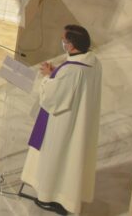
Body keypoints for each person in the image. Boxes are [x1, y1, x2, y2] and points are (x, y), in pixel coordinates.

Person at [22, 25, 103, 215]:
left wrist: (48, 78)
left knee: (56, 158)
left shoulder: (72, 70)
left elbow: (51, 99)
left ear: (72, 45)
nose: (63, 43)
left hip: (63, 123)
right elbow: (73, 87)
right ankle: (68, 197)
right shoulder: (94, 61)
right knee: (71, 161)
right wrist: (56, 74)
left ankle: (48, 196)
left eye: (64, 41)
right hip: (80, 121)